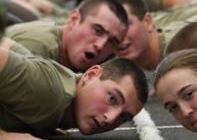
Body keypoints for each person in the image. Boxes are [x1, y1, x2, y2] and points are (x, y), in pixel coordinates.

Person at [0, 40, 148, 137]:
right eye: (112, 98)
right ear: (90, 75)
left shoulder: (55, 93)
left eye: (123, 117)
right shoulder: (50, 93)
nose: (110, 118)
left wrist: (40, 129)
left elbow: (7, 43)